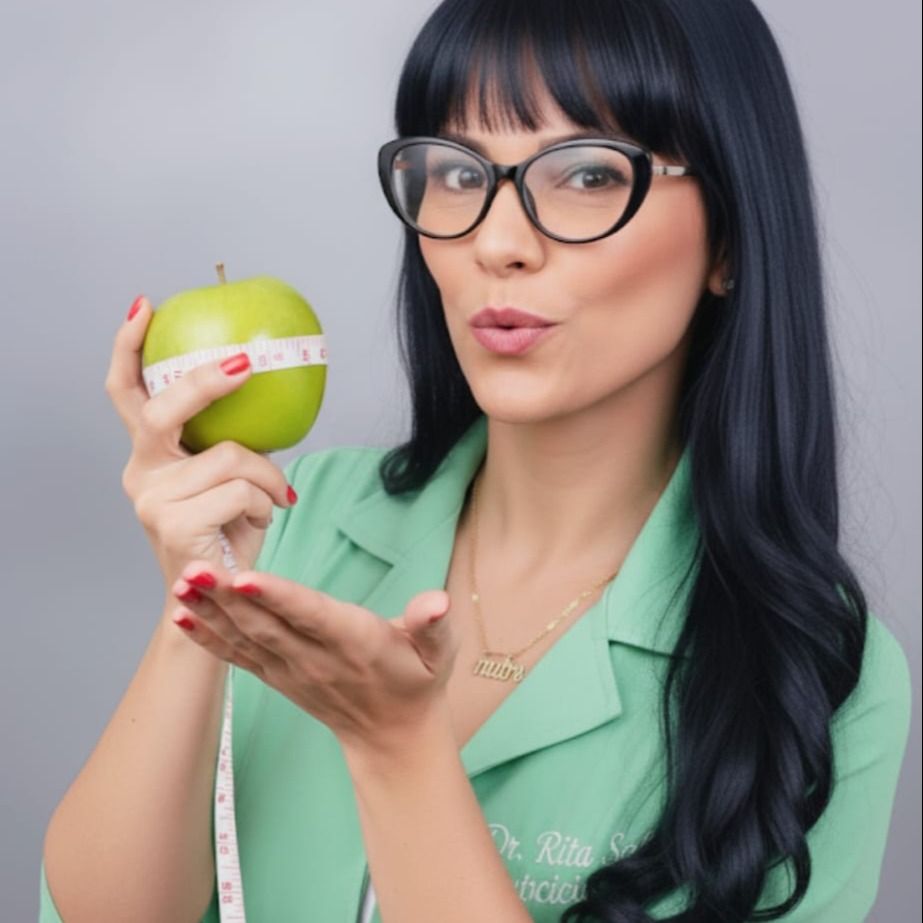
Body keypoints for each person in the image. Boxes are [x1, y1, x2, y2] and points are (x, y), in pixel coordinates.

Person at [40, 0, 912, 921]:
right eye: (458, 173)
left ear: (727, 240)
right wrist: (194, 612)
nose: (496, 243)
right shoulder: (294, 516)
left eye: (587, 172)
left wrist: (398, 748)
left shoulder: (819, 677)